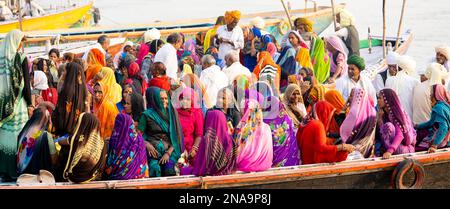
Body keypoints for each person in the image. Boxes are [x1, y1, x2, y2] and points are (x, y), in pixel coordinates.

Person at [0, 29, 32, 181]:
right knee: (18, 137)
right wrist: (30, 104)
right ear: (15, 41)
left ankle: (3, 170)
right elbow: (26, 85)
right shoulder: (21, 58)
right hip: (18, 106)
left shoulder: (1, 58)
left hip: (2, 106)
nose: (21, 46)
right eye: (20, 42)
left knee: (4, 137)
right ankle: (16, 170)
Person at [138, 87, 183, 177]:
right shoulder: (147, 115)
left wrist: (168, 153)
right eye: (161, 98)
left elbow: (176, 137)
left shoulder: (173, 114)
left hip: (170, 150)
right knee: (155, 168)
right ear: (155, 99)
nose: (164, 101)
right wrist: (147, 144)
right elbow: (138, 135)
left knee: (169, 169)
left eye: (166, 98)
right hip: (153, 151)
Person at [62, 113, 107, 183]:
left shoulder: (77, 139)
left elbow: (60, 142)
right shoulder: (102, 143)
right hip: (92, 177)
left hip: (74, 176)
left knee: (64, 150)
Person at [190, 110, 236, 176]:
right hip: (227, 174)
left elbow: (200, 168)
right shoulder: (231, 140)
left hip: (208, 176)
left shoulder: (207, 140)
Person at [105, 114, 149, 180]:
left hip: (119, 179)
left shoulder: (115, 141)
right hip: (140, 178)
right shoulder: (140, 140)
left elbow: (109, 167)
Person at [17, 104, 57, 176]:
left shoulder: (23, 133)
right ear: (45, 120)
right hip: (41, 177)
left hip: (23, 176)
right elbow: (54, 160)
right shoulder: (46, 135)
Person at [377, 89, 416, 159]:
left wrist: (389, 151)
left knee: (388, 126)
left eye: (380, 98)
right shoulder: (385, 114)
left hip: (406, 149)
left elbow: (400, 135)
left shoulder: (396, 113)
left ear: (387, 100)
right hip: (396, 147)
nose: (378, 100)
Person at [235, 99, 273, 172]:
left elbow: (240, 153)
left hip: (246, 166)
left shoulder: (244, 129)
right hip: (265, 165)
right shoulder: (266, 127)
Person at [340, 88, 377, 158]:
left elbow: (345, 133)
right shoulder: (372, 111)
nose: (349, 98)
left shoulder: (354, 112)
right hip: (368, 149)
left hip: (352, 149)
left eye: (351, 96)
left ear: (357, 97)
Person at [415, 84, 450, 153]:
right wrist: (417, 126)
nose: (430, 96)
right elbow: (431, 123)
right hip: (445, 140)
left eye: (432, 93)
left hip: (442, 142)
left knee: (417, 148)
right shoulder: (445, 105)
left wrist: (434, 145)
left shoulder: (439, 107)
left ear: (436, 94)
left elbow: (443, 128)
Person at [176, 88, 204, 164]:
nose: (184, 101)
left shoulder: (196, 112)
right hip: (176, 145)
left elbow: (199, 134)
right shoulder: (175, 112)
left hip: (191, 147)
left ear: (193, 100)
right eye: (182, 98)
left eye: (188, 99)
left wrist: (194, 148)